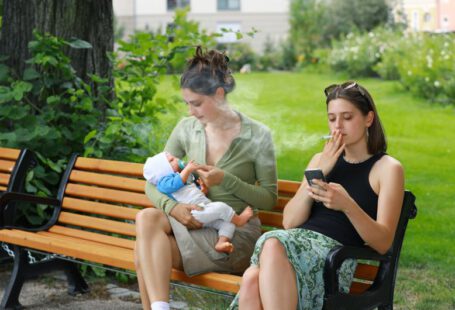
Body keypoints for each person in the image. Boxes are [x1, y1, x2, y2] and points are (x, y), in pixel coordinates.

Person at [230, 81, 405, 310]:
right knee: (253, 276)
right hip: (291, 249)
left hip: (332, 261)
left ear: (368, 119)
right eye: (332, 119)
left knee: (266, 253)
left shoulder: (387, 168)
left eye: (347, 117)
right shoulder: (319, 159)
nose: (338, 126)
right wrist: (322, 169)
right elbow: (290, 222)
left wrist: (347, 205)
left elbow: (383, 243)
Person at [134, 46, 277, 310]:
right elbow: (151, 184)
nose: (190, 112)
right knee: (146, 220)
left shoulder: (258, 135)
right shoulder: (187, 128)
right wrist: (173, 208)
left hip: (231, 234)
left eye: (197, 103)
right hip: (193, 224)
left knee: (145, 251)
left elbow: (269, 199)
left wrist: (227, 180)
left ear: (219, 94)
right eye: (187, 103)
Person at [143, 151, 254, 254]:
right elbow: (175, 183)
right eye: (171, 160)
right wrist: (188, 169)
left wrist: (203, 190)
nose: (176, 159)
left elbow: (193, 194)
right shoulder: (164, 182)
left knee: (228, 224)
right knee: (221, 207)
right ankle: (239, 220)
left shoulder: (185, 178)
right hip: (193, 213)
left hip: (204, 210)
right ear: (163, 170)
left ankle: (221, 243)